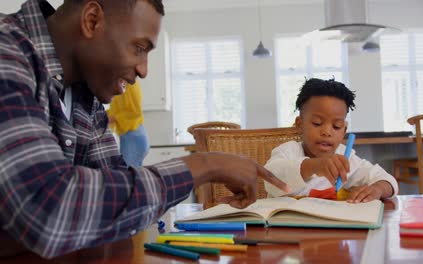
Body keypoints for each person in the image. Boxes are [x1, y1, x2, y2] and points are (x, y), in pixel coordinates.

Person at [0, 0, 289, 259]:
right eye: (139, 48)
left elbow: (115, 195)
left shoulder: (85, 96)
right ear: (91, 20)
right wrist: (204, 164)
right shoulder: (7, 53)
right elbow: (50, 212)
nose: (143, 70)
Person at [264, 78, 398, 202]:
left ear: (344, 131)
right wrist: (315, 166)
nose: (327, 132)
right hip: (285, 226)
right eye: (317, 123)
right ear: (300, 125)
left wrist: (377, 189)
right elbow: (271, 180)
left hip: (331, 225)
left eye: (336, 126)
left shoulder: (345, 158)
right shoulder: (288, 151)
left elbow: (387, 179)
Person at [106, 80, 149, 167]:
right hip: (131, 135)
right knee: (133, 176)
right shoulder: (121, 84)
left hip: (133, 136)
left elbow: (134, 112)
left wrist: (113, 118)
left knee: (127, 175)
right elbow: (117, 111)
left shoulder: (130, 84)